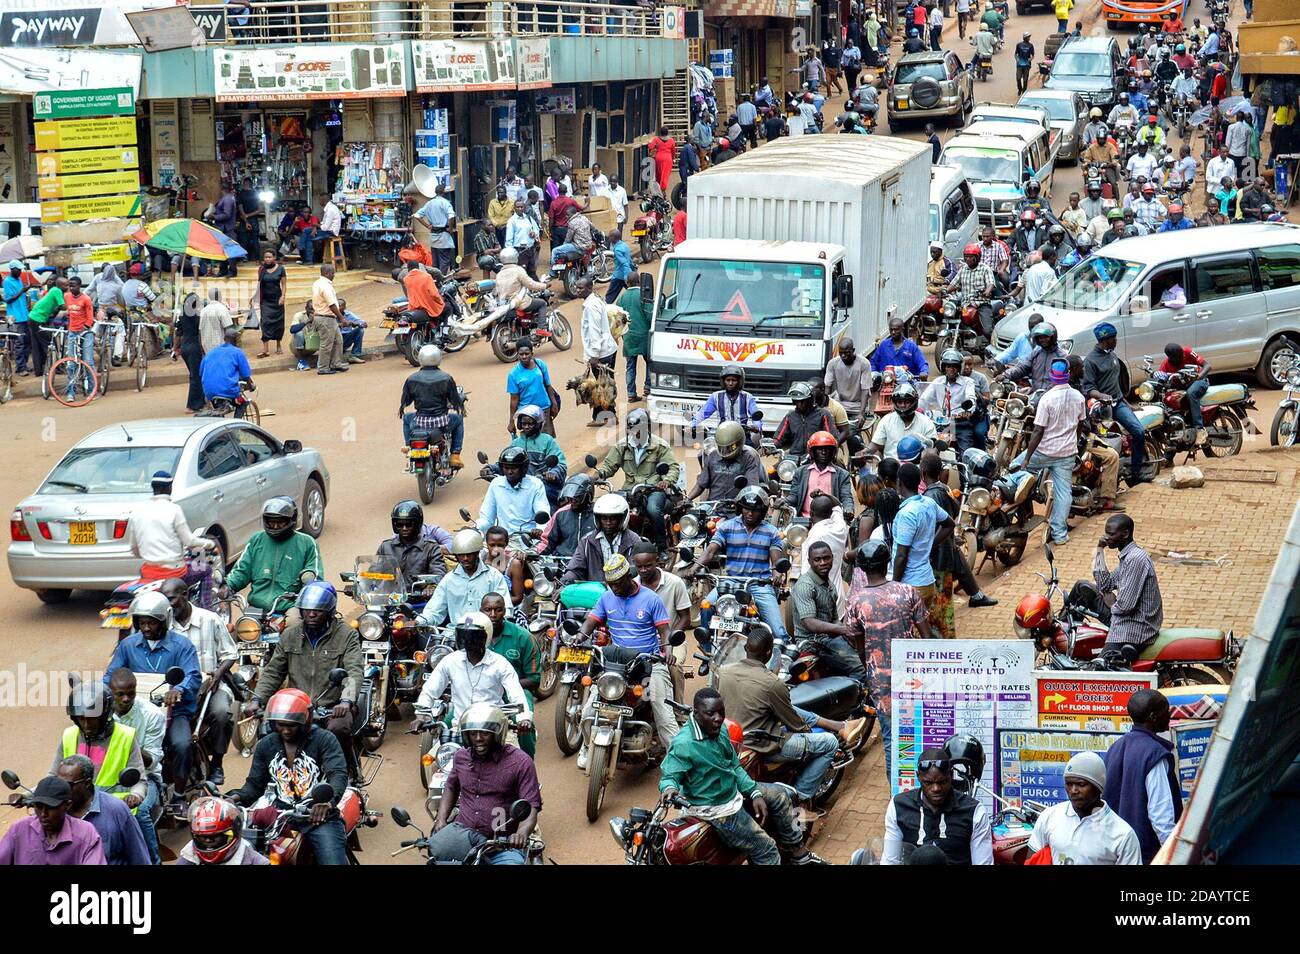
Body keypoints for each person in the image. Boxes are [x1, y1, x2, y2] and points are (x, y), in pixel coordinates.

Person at [658, 688, 824, 864]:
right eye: (710, 714)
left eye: (721, 712)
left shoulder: (720, 730)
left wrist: (754, 793)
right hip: (718, 811)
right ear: (696, 713)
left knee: (779, 795)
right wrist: (669, 788)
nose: (718, 718)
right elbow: (670, 775)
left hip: (731, 789)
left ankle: (797, 851)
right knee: (767, 849)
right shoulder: (684, 743)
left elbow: (733, 765)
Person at [718, 626, 864, 806]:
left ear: (746, 649)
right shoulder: (772, 683)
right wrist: (809, 731)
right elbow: (795, 724)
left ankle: (840, 726)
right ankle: (801, 797)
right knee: (829, 743)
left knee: (792, 708)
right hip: (764, 745)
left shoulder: (724, 672)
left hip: (733, 739)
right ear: (769, 653)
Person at [246, 580, 364, 778]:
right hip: (295, 706)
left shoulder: (346, 635)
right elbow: (274, 671)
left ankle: (346, 773)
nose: (311, 614)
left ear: (330, 611)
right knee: (267, 731)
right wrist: (257, 699)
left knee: (338, 729)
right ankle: (271, 778)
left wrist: (346, 700)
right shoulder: (289, 635)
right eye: (307, 610)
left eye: (317, 610)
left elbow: (354, 671)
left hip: (331, 705)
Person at [576, 555, 679, 768]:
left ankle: (679, 761)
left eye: (617, 583)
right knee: (588, 710)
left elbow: (664, 631)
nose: (614, 588)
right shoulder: (606, 598)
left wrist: (667, 650)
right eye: (610, 584)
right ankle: (588, 746)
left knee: (662, 712)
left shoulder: (651, 599)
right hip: (617, 664)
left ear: (628, 577)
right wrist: (579, 637)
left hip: (647, 662)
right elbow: (591, 622)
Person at [228, 688, 351, 865]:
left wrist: (327, 803)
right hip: (280, 817)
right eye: (280, 724)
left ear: (306, 720)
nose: (285, 730)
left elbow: (337, 774)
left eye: (291, 725)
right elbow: (254, 786)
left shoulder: (324, 739)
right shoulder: (265, 745)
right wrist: (234, 798)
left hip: (318, 818)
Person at [845, 540, 932, 789]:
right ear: (887, 564)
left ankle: (898, 795)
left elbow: (858, 644)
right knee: (921, 731)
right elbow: (927, 637)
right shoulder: (907, 592)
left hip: (880, 682)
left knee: (892, 739)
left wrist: (869, 667)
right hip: (915, 676)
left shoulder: (857, 601)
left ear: (861, 569)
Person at [103, 593, 201, 802]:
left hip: (174, 712)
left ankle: (179, 794)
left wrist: (178, 689)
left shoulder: (182, 645)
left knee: (182, 745)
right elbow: (110, 675)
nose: (146, 628)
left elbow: (193, 675)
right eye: (142, 622)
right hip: (136, 710)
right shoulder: (128, 645)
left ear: (164, 621)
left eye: (152, 623)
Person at [424, 703, 542, 864]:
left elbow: (531, 805)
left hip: (502, 846)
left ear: (497, 733)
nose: (478, 738)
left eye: (485, 733)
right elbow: (451, 787)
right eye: (473, 733)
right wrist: (441, 819)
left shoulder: (520, 762)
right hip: (462, 838)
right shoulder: (460, 757)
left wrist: (521, 833)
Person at [689, 487, 791, 656]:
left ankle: (781, 665)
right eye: (746, 508)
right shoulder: (726, 527)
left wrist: (776, 573)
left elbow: (776, 559)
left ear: (763, 511)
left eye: (755, 510)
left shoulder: (771, 532)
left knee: (779, 633)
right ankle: (708, 652)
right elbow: (711, 551)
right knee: (706, 605)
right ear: (740, 508)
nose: (750, 513)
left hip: (759, 584)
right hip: (731, 582)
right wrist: (695, 567)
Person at [160, 577, 236, 784]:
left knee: (222, 714)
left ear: (184, 595)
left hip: (211, 687)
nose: (168, 605)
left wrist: (217, 675)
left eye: (171, 599)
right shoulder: (163, 625)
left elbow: (230, 653)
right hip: (175, 691)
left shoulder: (210, 619)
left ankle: (218, 763)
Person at [1102, 689, 1182, 863]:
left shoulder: (1115, 747)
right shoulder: (1154, 754)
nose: (1169, 715)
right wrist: (1175, 857)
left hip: (1113, 851)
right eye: (1166, 711)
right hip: (1144, 853)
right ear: (1153, 717)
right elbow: (1161, 818)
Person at [1026, 751, 1141, 864]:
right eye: (1069, 783)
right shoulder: (1050, 817)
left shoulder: (1122, 834)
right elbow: (1032, 860)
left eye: (1081, 784)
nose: (1073, 791)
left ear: (1098, 786)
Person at [881, 748, 991, 863]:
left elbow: (983, 862)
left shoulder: (974, 812)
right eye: (928, 783)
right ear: (918, 776)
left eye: (942, 782)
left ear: (951, 775)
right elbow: (890, 860)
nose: (936, 789)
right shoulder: (898, 807)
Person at [591, 407, 679, 549]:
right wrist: (598, 475)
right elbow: (609, 465)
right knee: (608, 508)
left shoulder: (660, 446)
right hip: (630, 489)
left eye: (638, 429)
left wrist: (666, 481)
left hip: (653, 489)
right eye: (631, 429)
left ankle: (662, 547)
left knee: (653, 509)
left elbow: (673, 467)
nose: (635, 432)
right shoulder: (622, 445)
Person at [1018, 358, 1083, 544]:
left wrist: (1027, 458)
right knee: (1064, 493)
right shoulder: (1078, 397)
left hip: (1044, 452)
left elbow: (1038, 431)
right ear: (1068, 375)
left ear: (1052, 378)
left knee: (1014, 471)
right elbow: (1080, 424)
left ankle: (1022, 508)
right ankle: (1060, 535)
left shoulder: (1046, 399)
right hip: (1067, 453)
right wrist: (1074, 444)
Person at [219, 497, 322, 613]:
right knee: (236, 629)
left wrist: (308, 581)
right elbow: (241, 571)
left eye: (280, 522)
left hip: (289, 608)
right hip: (256, 608)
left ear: (291, 520)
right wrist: (228, 586)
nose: (275, 526)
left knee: (294, 623)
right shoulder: (256, 540)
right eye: (272, 522)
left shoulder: (307, 543)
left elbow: (315, 576)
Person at [106, 668, 165, 863]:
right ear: (110, 692)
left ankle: (153, 861)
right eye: (119, 694)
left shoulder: (152, 714)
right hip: (107, 779)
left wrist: (127, 739)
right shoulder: (100, 714)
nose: (125, 699)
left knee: (137, 813)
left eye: (130, 693)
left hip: (146, 778)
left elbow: (154, 759)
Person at [791, 541, 870, 686]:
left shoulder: (829, 585)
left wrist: (849, 634)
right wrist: (844, 629)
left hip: (828, 639)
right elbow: (810, 623)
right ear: (809, 561)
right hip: (811, 641)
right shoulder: (805, 585)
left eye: (826, 558)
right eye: (817, 560)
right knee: (860, 668)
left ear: (833, 558)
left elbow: (833, 619)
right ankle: (853, 702)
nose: (822, 563)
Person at [1087, 513, 1164, 651]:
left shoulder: (1135, 559)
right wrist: (1099, 549)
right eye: (1106, 533)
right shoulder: (1127, 557)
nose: (1106, 538)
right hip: (1123, 619)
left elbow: (1125, 606)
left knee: (1098, 669)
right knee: (1082, 587)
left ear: (1125, 534)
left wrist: (1111, 605)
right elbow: (1105, 585)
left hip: (1135, 628)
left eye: (1111, 534)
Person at [1083, 322, 1147, 485]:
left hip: (1118, 404)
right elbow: (1089, 388)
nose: (1116, 340)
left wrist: (1127, 403)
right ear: (1106, 339)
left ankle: (1135, 473)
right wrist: (1102, 396)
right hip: (1102, 410)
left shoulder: (1112, 355)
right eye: (1114, 338)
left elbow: (1116, 386)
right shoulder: (1090, 361)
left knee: (1139, 432)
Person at [56, 755, 150, 865]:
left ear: (87, 783)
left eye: (68, 785)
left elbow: (139, 856)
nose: (61, 789)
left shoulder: (116, 810)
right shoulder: (55, 813)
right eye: (59, 783)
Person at [125, 470, 215, 584]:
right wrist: (209, 544)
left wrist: (150, 557)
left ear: (153, 488)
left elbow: (134, 548)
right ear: (169, 488)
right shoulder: (174, 510)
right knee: (206, 570)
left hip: (148, 574)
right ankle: (205, 602)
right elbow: (189, 541)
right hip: (175, 573)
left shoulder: (137, 512)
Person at [891, 462, 955, 622]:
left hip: (911, 585)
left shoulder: (907, 514)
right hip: (927, 581)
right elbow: (949, 524)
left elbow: (901, 556)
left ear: (899, 483)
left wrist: (893, 588)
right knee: (921, 628)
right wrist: (929, 543)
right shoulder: (928, 503)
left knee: (907, 633)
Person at [480, 595, 541, 757]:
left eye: (498, 610)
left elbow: (534, 680)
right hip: (480, 691)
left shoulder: (524, 637)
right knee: (450, 719)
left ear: (505, 612)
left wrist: (507, 686)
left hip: (516, 693)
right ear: (480, 612)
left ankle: (527, 766)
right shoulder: (472, 636)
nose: (492, 614)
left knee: (525, 726)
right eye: (488, 610)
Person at [0, 776, 105, 865]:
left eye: (51, 807)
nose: (43, 814)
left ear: (67, 805)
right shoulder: (18, 830)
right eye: (39, 806)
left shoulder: (86, 833)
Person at [418, 529, 512, 626]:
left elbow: (506, 609)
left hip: (487, 632)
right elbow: (433, 611)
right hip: (455, 633)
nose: (465, 558)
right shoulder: (448, 580)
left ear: (477, 553)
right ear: (456, 556)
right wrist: (418, 622)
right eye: (461, 555)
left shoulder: (494, 576)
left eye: (469, 554)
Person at [399, 344, 465, 467]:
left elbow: (406, 401)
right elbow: (455, 400)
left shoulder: (411, 379)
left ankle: (409, 445)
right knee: (459, 419)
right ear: (438, 358)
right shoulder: (446, 378)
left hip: (419, 422)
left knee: (407, 417)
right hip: (442, 423)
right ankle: (455, 454)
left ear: (420, 358)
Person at [560, 494, 643, 585]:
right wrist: (565, 581)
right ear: (598, 519)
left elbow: (635, 571)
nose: (608, 523)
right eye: (604, 518)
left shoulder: (633, 541)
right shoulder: (587, 541)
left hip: (623, 592)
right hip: (593, 594)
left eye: (613, 518)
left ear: (622, 519)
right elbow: (576, 568)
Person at [633, 544, 693, 660]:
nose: (643, 570)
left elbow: (686, 619)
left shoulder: (675, 583)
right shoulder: (633, 586)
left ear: (657, 561)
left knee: (674, 665)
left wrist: (671, 638)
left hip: (672, 638)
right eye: (639, 567)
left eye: (648, 566)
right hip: (642, 641)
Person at [476, 446, 550, 541]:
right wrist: (475, 528)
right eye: (506, 468)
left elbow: (542, 512)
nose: (509, 472)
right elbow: (487, 518)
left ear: (523, 468)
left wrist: (539, 530)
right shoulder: (496, 484)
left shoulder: (535, 485)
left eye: (514, 468)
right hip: (502, 541)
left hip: (529, 541)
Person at [503, 403, 566, 506]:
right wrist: (491, 469)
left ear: (538, 424)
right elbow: (505, 461)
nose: (526, 427)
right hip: (520, 488)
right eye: (524, 424)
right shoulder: (516, 443)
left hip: (544, 488)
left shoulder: (547, 441)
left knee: (549, 515)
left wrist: (553, 473)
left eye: (530, 424)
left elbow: (561, 464)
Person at [689, 420, 767, 503]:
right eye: (722, 448)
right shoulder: (712, 456)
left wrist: (742, 502)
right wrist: (688, 499)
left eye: (730, 447)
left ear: (739, 442)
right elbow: (700, 484)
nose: (725, 451)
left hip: (736, 508)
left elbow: (751, 488)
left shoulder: (748, 458)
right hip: (712, 506)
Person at [177, 797, 269, 865]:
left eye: (214, 836)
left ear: (232, 835)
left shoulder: (258, 862)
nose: (208, 841)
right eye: (202, 837)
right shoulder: (188, 855)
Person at [920, 350, 978, 454]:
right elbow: (924, 399)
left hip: (960, 422)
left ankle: (964, 469)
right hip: (939, 423)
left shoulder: (968, 382)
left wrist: (967, 409)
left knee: (966, 452)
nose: (951, 369)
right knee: (926, 449)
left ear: (959, 367)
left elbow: (971, 399)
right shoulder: (938, 382)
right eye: (948, 366)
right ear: (944, 367)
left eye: (954, 366)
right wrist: (919, 409)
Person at [787, 430, 856, 516]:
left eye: (827, 449)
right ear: (812, 452)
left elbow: (846, 497)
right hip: (804, 520)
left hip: (831, 521)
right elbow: (793, 496)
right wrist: (785, 501)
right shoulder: (800, 472)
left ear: (833, 452)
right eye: (820, 449)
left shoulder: (842, 475)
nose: (824, 452)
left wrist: (849, 509)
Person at [578, 275, 618, 423]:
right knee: (601, 385)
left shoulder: (591, 306)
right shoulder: (594, 300)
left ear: (589, 288)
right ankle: (600, 416)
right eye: (576, 287)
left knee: (603, 386)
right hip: (605, 349)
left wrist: (594, 355)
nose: (577, 290)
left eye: (580, 288)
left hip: (602, 353)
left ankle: (608, 416)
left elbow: (595, 331)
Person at [379, 500, 446, 585]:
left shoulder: (431, 548)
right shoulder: (385, 547)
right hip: (391, 596)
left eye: (409, 524)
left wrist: (430, 587)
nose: (404, 528)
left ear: (418, 524)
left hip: (420, 596)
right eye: (399, 524)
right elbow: (373, 572)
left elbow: (439, 573)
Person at [867, 383, 938, 459]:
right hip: (891, 466)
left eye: (907, 402)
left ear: (914, 402)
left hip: (915, 467)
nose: (903, 405)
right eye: (899, 402)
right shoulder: (886, 420)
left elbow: (932, 448)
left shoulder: (926, 422)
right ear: (895, 403)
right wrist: (864, 452)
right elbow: (875, 444)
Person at [1158, 342, 1210, 441]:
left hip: (1199, 381)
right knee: (1169, 401)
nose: (1183, 356)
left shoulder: (1187, 351)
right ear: (1171, 358)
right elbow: (1161, 378)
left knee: (1191, 393)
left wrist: (1198, 376)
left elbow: (1207, 366)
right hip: (1183, 387)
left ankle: (1199, 429)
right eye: (1180, 356)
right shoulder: (1166, 365)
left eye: (1182, 354)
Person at [536, 476, 597, 559]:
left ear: (588, 496)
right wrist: (535, 552)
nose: (572, 501)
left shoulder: (598, 514)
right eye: (570, 497)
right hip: (564, 561)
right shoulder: (561, 513)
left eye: (577, 498)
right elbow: (547, 541)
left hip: (591, 561)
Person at [999, 320, 1067, 393]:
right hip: (1035, 394)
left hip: (1052, 396)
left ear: (1053, 337)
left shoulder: (1061, 357)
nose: (1043, 340)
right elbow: (1022, 368)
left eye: (1046, 337)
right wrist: (1005, 375)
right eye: (1040, 338)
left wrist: (1045, 393)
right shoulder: (1035, 354)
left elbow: (1059, 381)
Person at [692, 363, 761, 434]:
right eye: (728, 380)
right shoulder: (715, 396)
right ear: (723, 382)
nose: (730, 383)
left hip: (742, 435)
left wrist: (756, 426)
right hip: (722, 435)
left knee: (750, 445)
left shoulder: (748, 397)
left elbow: (755, 415)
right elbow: (703, 413)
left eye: (734, 380)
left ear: (739, 382)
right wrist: (692, 424)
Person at [507, 340, 558, 437]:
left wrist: (554, 403)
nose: (524, 357)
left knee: (547, 440)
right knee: (530, 443)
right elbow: (514, 399)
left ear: (532, 353)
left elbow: (548, 385)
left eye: (527, 353)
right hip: (526, 414)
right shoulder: (513, 374)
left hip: (543, 409)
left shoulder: (540, 365)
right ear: (517, 354)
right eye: (521, 354)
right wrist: (511, 421)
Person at [775, 381, 839, 456]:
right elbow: (779, 438)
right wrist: (770, 446)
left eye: (802, 401)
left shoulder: (823, 414)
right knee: (774, 468)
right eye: (797, 401)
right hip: (794, 456)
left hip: (817, 456)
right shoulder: (790, 416)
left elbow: (830, 438)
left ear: (810, 400)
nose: (799, 405)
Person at [617, 283, 651, 403]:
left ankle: (631, 394)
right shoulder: (643, 295)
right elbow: (650, 314)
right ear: (639, 282)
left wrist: (622, 335)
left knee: (630, 366)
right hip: (645, 336)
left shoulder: (621, 298)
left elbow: (617, 320)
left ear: (627, 283)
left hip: (629, 337)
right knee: (650, 362)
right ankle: (648, 388)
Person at [824, 337, 872, 420]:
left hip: (857, 406)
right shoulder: (832, 364)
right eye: (841, 353)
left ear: (853, 350)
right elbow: (827, 386)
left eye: (846, 353)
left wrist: (861, 413)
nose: (843, 356)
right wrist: (825, 407)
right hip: (840, 404)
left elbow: (865, 390)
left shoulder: (864, 364)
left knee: (852, 429)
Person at [416, 184, 458, 274]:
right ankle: (442, 280)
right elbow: (451, 216)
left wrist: (427, 226)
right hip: (443, 236)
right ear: (444, 192)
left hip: (433, 236)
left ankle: (436, 280)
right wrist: (450, 229)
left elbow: (417, 215)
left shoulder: (429, 203)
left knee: (436, 261)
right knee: (444, 260)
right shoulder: (445, 203)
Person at [253, 249, 287, 357]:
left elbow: (284, 284)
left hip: (277, 300)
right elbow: (259, 284)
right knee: (265, 322)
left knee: (278, 323)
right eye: (266, 257)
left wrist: (283, 296)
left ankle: (278, 344)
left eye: (269, 257)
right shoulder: (262, 269)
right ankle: (265, 349)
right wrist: (254, 297)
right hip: (265, 301)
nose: (267, 259)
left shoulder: (281, 269)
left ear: (274, 258)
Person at [504, 199, 542, 278]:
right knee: (521, 273)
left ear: (524, 208)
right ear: (514, 208)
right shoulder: (512, 221)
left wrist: (534, 233)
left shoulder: (528, 218)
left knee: (532, 271)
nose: (520, 209)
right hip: (519, 251)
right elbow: (508, 240)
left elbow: (536, 229)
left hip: (530, 249)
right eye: (518, 207)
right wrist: (513, 254)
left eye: (521, 207)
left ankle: (533, 289)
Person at [1226, 111, 1252, 178]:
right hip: (1242, 154)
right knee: (1241, 174)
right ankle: (1240, 187)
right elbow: (1248, 144)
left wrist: (1226, 152)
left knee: (1231, 173)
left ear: (1236, 118)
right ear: (1243, 119)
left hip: (1232, 153)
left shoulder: (1231, 127)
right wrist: (1248, 156)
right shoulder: (1248, 129)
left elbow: (1228, 141)